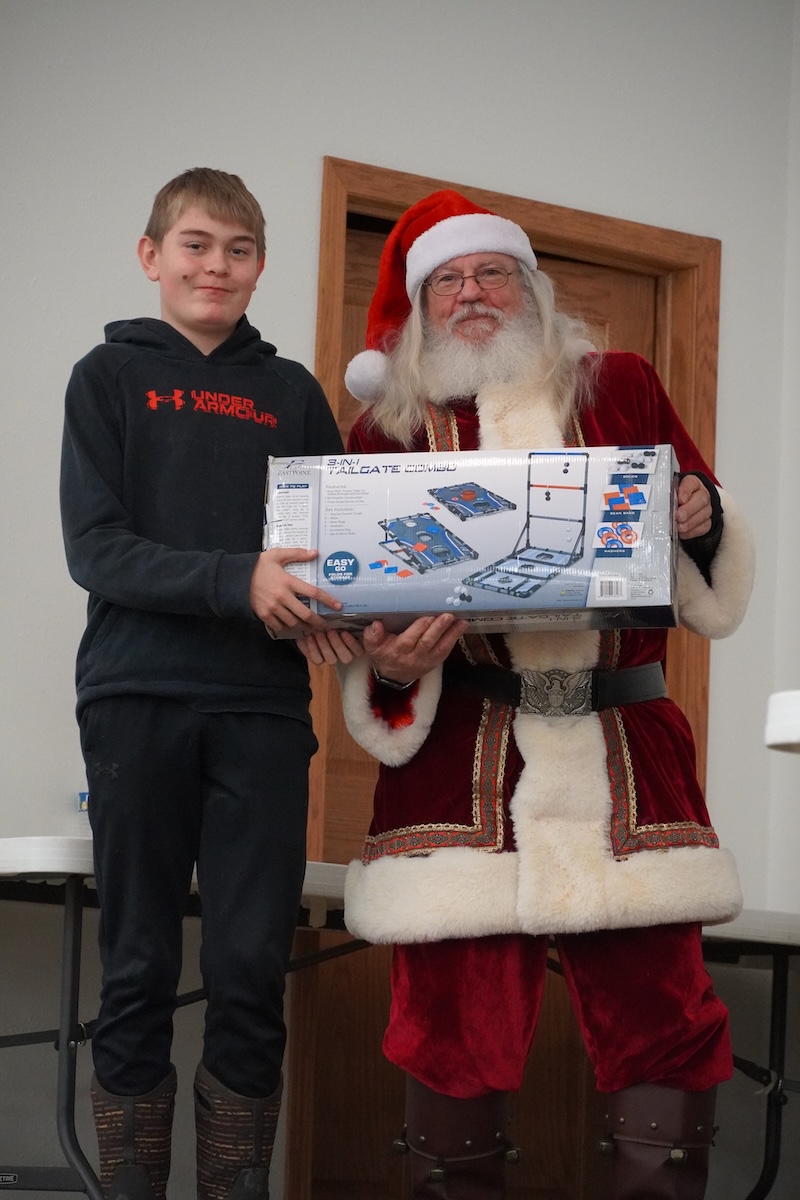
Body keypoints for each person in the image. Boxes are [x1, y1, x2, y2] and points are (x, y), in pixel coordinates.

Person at [301, 190, 755, 1199]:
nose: (471, 293)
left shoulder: (620, 386)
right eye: (447, 281)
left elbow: (699, 543)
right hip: (462, 759)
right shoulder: (383, 431)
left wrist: (701, 515)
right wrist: (395, 665)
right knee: (450, 1026)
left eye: (492, 273)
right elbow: (366, 624)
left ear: (532, 291)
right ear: (421, 309)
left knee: (666, 1017)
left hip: (626, 757)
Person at [60, 168, 360, 1200]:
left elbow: (334, 548)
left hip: (263, 711)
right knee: (138, 966)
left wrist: (360, 610)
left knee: (247, 972)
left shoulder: (293, 394)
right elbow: (97, 551)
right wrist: (240, 581)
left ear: (260, 266)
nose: (215, 266)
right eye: (195, 245)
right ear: (152, 256)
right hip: (134, 700)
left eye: (237, 251)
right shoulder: (106, 376)